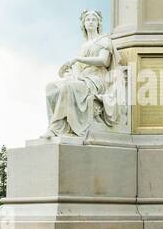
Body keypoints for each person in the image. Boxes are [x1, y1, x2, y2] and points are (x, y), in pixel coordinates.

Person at [43, 9, 124, 141]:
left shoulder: (104, 40)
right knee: (51, 87)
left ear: (98, 23)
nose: (90, 22)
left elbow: (103, 61)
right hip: (82, 78)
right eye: (87, 20)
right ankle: (61, 126)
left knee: (67, 88)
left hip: (97, 79)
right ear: (84, 24)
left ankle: (55, 127)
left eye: (93, 19)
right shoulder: (84, 45)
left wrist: (78, 59)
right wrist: (69, 72)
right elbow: (78, 69)